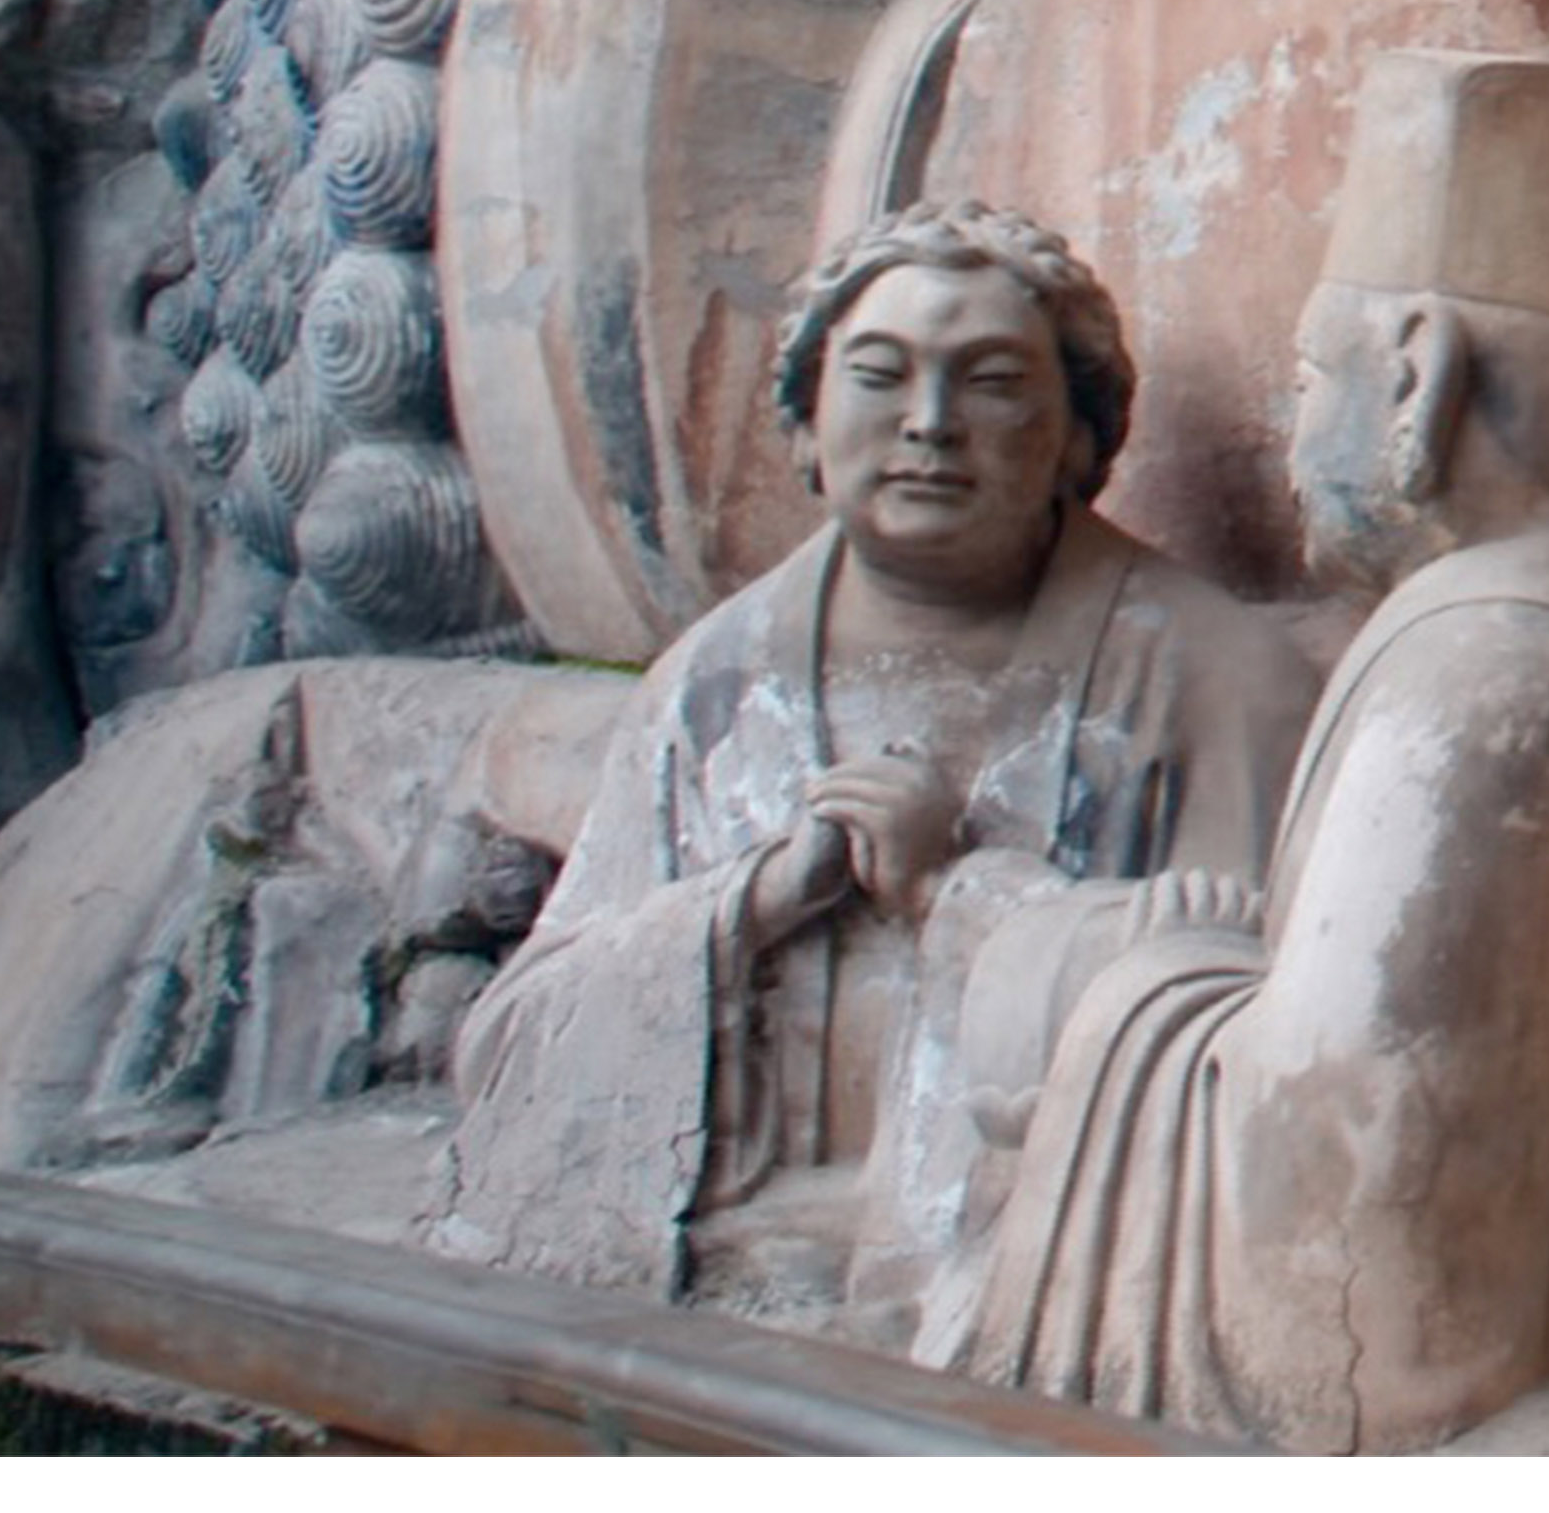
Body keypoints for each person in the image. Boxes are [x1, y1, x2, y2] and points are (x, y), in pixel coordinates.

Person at [936, 52, 1549, 1450]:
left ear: (1417, 380)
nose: (1295, 434)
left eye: (1313, 379)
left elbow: (1334, 1183)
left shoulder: (1474, 674)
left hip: (1412, 1393)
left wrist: (1102, 969)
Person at [440, 202, 1311, 1321]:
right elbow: (514, 1050)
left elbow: (1268, 1046)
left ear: (1078, 438)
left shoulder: (1218, 681)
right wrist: (749, 903)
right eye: (879, 376)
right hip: (727, 1273)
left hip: (1030, 1290)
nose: (930, 423)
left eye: (992, 382)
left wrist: (959, 894)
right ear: (807, 426)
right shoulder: (715, 683)